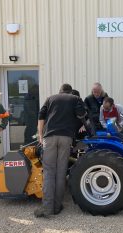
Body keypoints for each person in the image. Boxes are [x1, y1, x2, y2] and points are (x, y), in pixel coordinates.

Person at [34, 83, 86, 218]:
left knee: (49, 172)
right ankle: (57, 206)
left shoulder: (50, 98)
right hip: (66, 137)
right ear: (70, 91)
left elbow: (41, 117)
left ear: (60, 91)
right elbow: (82, 115)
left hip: (49, 137)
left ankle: (46, 208)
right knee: (61, 171)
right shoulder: (75, 99)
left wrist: (40, 135)